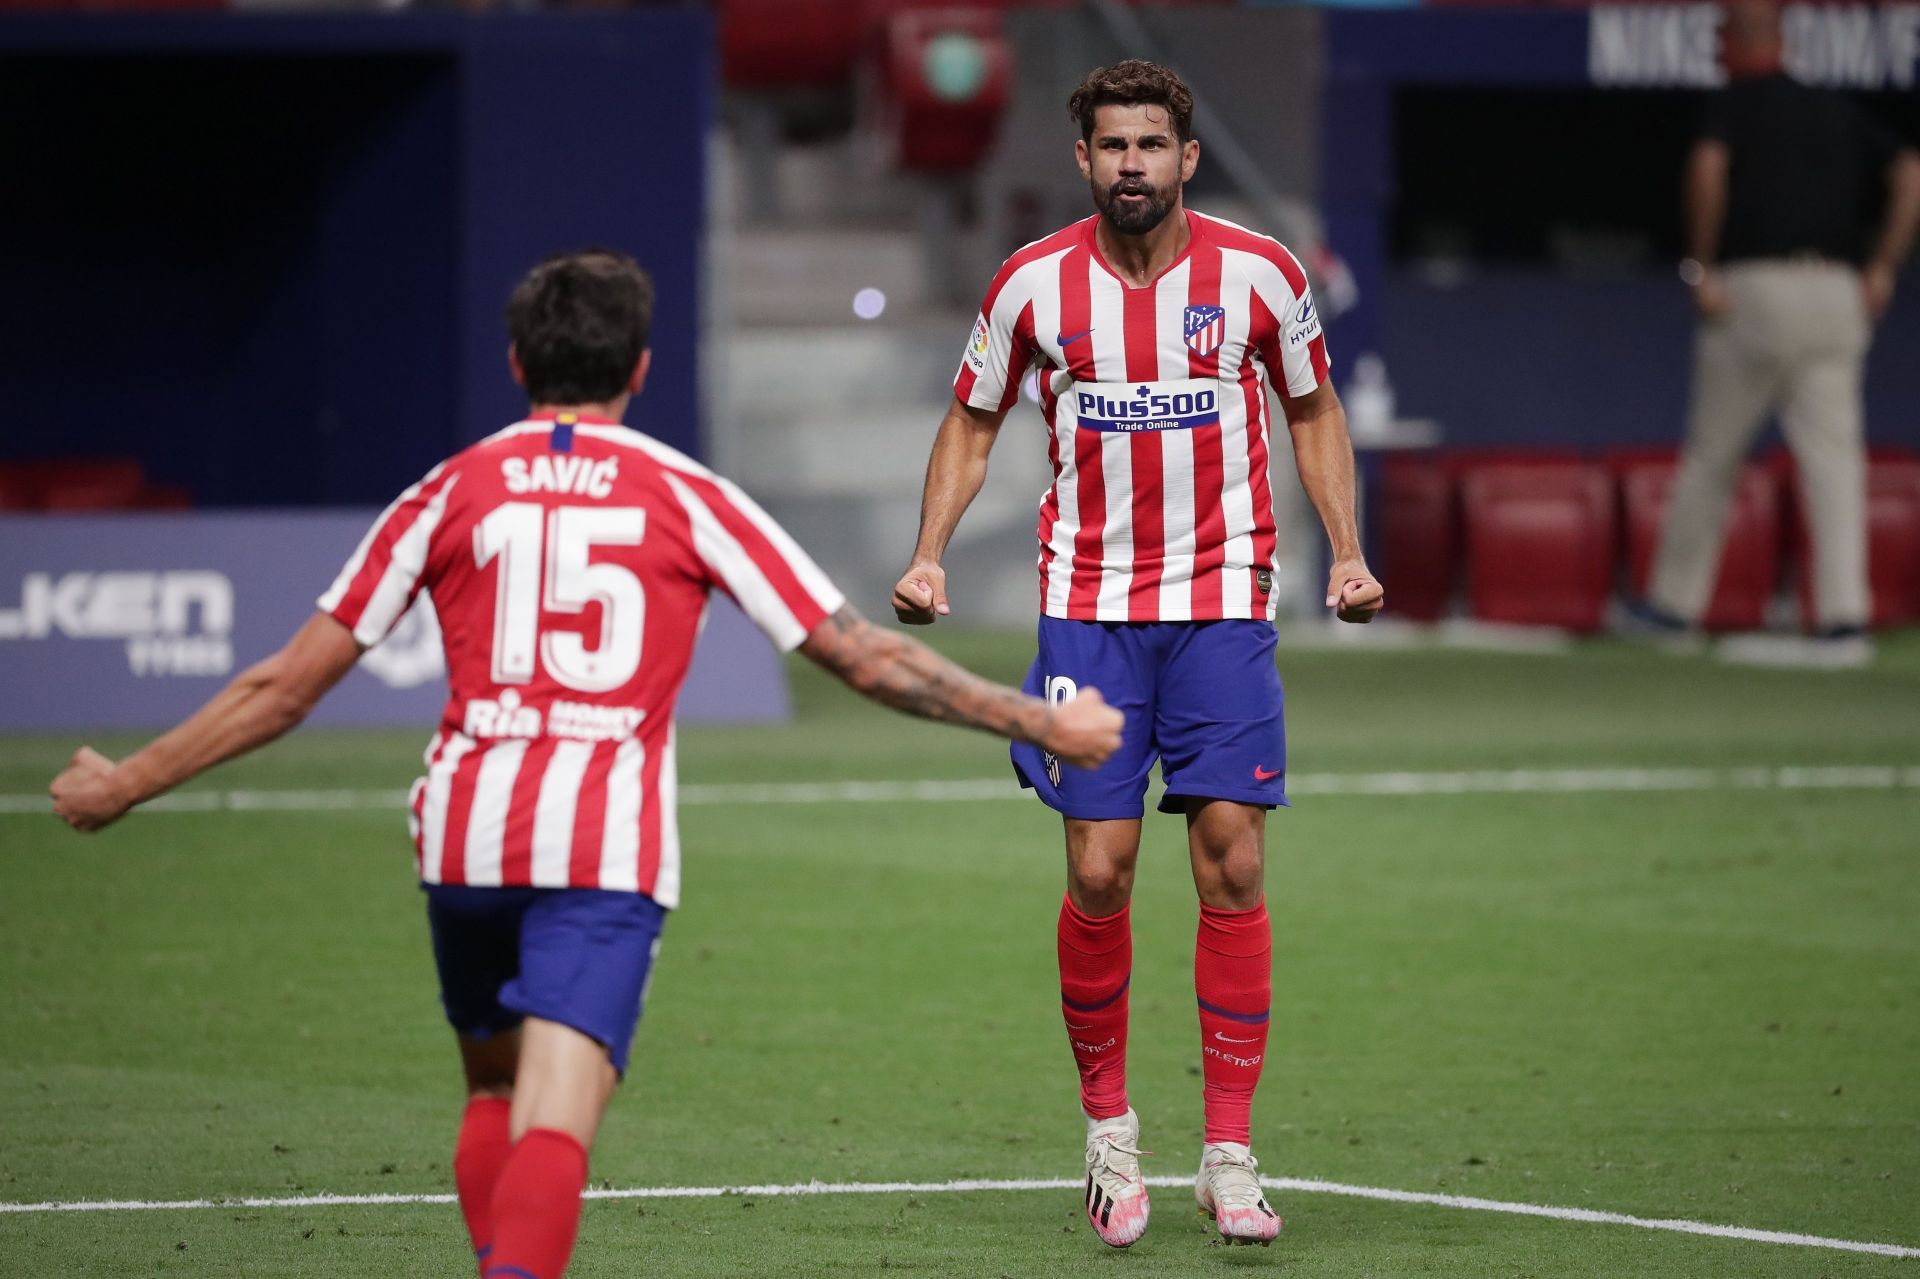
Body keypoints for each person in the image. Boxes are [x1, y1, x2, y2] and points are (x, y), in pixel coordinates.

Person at [49, 250, 1123, 1279]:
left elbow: (284, 685)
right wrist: (1034, 721)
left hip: (462, 835)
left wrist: (123, 781)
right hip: (601, 847)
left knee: (491, 1087)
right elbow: (864, 655)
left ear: (518, 365)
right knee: (554, 1113)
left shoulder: (449, 490)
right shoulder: (684, 493)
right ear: (641, 368)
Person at [889, 61, 1383, 1249]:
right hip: (1089, 609)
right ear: (1084, 161)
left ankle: (1229, 1152)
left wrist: (1348, 553)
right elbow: (973, 414)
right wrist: (928, 553)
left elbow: (1313, 407)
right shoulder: (1032, 286)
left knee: (1234, 860)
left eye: (1150, 146)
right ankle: (1109, 1135)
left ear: (1187, 158)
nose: (1131, 166)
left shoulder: (1261, 275)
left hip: (1222, 602)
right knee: (1101, 869)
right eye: (1111, 147)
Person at [1638, 0, 1920, 666]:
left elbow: (1706, 168)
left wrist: (1700, 266)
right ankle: (1844, 619)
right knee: (1835, 465)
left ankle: (1674, 610)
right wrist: (1882, 270)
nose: (1714, 48)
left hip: (1755, 292)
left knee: (1713, 457)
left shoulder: (1734, 105)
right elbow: (1911, 174)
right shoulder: (1834, 109)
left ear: (1735, 40)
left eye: (1719, 37)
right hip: (1834, 292)